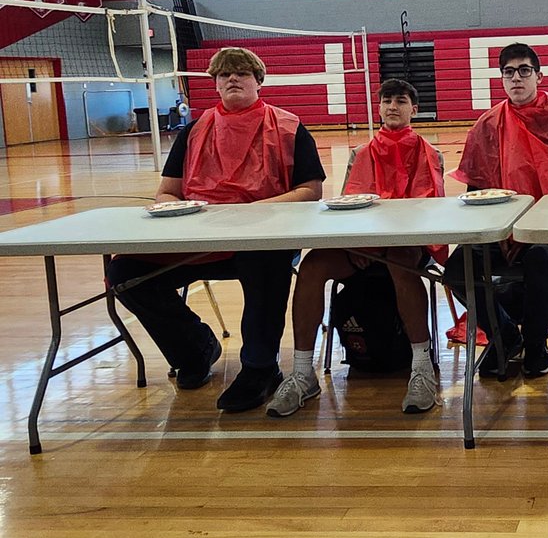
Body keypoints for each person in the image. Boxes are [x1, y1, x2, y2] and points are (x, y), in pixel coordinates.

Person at [106, 48, 325, 412]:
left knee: (265, 262)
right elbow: (167, 191)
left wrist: (251, 214)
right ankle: (195, 349)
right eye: (224, 75)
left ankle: (260, 367)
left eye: (241, 72)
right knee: (124, 272)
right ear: (215, 85)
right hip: (200, 239)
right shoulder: (194, 130)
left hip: (262, 236)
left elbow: (310, 191)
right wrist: (176, 210)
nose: (232, 79)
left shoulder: (288, 126)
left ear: (259, 81)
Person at [266, 79, 445, 418]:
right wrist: (358, 241)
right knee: (313, 264)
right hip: (362, 246)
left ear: (414, 110)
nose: (393, 106)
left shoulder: (429, 153)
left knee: (398, 258)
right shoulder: (360, 154)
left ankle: (421, 367)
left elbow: (430, 209)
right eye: (387, 100)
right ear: (378, 108)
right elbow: (351, 201)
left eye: (401, 101)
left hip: (407, 245)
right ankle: (303, 373)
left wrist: (388, 239)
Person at [444, 43, 548, 379]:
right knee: (457, 270)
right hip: (500, 230)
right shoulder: (487, 125)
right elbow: (476, 189)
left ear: (539, 76)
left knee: (540, 260)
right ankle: (505, 336)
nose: (517, 77)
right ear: (501, 79)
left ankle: (536, 343)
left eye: (524, 70)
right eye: (509, 72)